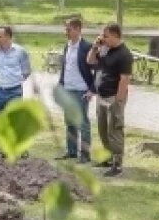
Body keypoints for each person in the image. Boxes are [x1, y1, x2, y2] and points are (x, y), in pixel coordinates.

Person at [86, 22, 134, 177]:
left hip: (114, 97)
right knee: (103, 129)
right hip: (102, 96)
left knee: (115, 130)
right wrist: (95, 47)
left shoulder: (124, 54)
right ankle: (107, 158)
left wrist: (118, 101)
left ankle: (117, 164)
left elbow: (125, 79)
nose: (103, 38)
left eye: (106, 36)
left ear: (115, 35)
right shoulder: (105, 50)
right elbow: (90, 61)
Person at [57, 16, 96, 163]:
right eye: (65, 29)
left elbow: (96, 71)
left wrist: (92, 89)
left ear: (78, 29)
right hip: (68, 89)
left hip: (81, 90)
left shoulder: (87, 47)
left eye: (69, 29)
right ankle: (71, 151)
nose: (66, 32)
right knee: (70, 122)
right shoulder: (67, 46)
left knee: (82, 123)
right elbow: (65, 68)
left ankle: (85, 155)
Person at [0, 25, 31, 116]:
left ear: (8, 37)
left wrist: (16, 80)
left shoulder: (20, 52)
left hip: (15, 91)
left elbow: (26, 71)